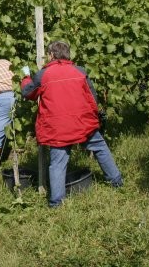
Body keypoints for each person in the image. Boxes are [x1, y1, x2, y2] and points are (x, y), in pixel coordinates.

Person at [21, 40, 123, 208]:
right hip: (82, 123)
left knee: (58, 164)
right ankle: (116, 182)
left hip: (57, 128)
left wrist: (26, 78)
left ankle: (56, 203)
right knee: (100, 148)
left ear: (52, 55)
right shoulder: (80, 71)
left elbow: (28, 93)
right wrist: (92, 118)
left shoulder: (43, 74)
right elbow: (93, 98)